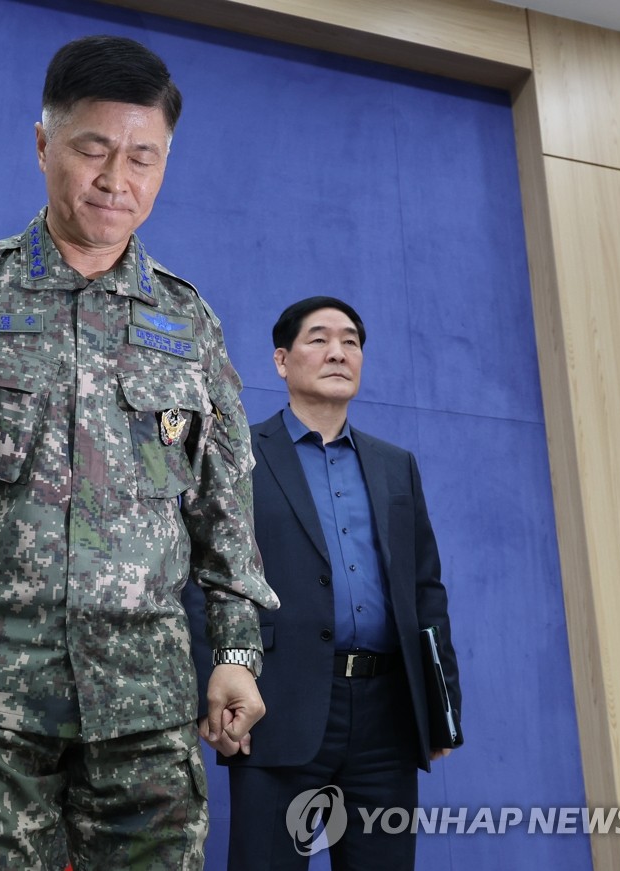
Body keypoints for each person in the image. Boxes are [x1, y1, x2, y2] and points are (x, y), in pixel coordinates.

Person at [0, 34, 279, 870]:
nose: (117, 179)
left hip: (144, 719)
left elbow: (228, 516)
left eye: (144, 156)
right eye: (93, 149)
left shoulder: (190, 327)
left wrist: (239, 654)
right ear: (43, 145)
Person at [216, 296, 462, 870]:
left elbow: (426, 589)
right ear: (282, 361)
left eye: (351, 341)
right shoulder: (238, 456)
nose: (338, 352)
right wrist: (215, 684)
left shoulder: (393, 464)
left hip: (387, 716)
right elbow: (203, 579)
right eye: (319, 339)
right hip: (278, 704)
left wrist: (440, 704)